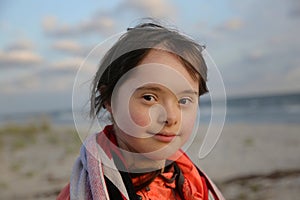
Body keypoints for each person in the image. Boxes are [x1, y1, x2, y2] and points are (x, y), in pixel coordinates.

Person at [57, 21, 225, 200]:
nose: (171, 117)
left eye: (184, 100)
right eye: (149, 98)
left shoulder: (194, 184)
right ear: (109, 99)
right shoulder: (81, 193)